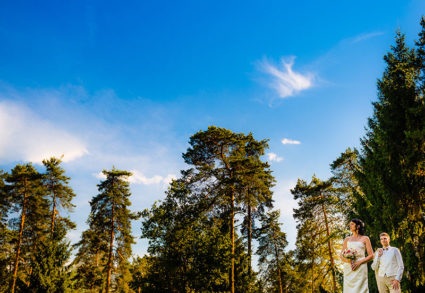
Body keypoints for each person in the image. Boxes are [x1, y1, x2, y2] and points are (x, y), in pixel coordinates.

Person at [340, 219, 374, 293]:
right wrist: (348, 261)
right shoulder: (347, 239)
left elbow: (371, 255)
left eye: (352, 224)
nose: (350, 226)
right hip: (349, 267)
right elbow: (341, 255)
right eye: (350, 224)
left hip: (361, 267)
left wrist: (359, 262)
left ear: (358, 226)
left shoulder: (365, 238)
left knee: (361, 288)